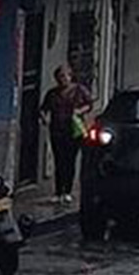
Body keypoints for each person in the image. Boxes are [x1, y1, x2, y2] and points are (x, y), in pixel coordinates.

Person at [40, 65, 94, 204]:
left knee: (70, 161)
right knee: (59, 161)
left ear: (70, 76)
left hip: (73, 130)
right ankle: (58, 191)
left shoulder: (79, 90)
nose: (62, 79)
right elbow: (43, 108)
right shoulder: (52, 93)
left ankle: (67, 191)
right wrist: (45, 118)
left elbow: (89, 104)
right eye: (59, 77)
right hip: (57, 130)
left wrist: (79, 111)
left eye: (65, 76)